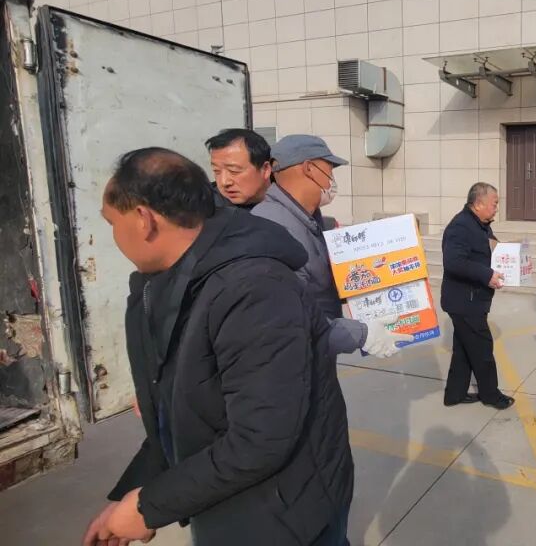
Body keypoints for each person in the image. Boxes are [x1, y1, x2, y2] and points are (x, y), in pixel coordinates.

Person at [83, 148, 353, 545]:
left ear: (143, 219)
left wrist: (149, 506)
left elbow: (260, 438)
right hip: (228, 496)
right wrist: (143, 490)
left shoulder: (255, 289)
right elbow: (181, 406)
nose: (112, 235)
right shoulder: (167, 279)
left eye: (111, 222)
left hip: (285, 513)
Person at [252, 134, 408, 357]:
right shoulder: (275, 227)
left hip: (314, 353)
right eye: (329, 170)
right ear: (309, 168)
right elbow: (288, 314)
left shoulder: (305, 219)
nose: (331, 180)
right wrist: (361, 335)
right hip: (293, 359)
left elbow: (316, 286)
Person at [440, 183, 515, 410]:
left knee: (464, 349)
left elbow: (491, 247)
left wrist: (511, 257)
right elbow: (454, 262)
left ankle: (454, 395)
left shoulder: (480, 224)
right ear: (479, 203)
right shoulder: (460, 226)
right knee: (482, 349)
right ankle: (491, 395)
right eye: (494, 203)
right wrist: (487, 275)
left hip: (472, 299)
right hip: (464, 302)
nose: (497, 208)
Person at [206, 128, 273, 209]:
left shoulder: (285, 202)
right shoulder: (205, 207)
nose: (224, 182)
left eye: (233, 171)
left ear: (265, 170)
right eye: (216, 171)